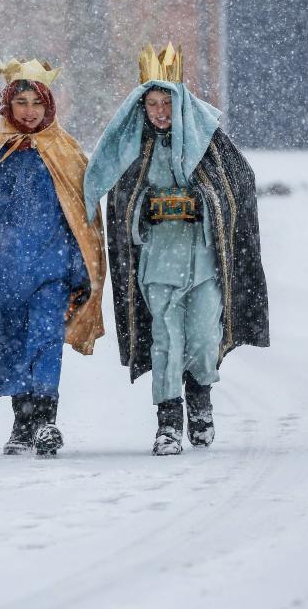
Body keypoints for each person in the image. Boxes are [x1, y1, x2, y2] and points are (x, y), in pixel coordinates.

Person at [84, 43, 269, 456]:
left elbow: (236, 187)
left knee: (204, 338)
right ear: (143, 106)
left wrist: (201, 202)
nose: (161, 112)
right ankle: (168, 422)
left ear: (180, 102)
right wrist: (146, 210)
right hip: (158, 262)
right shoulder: (136, 148)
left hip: (204, 260)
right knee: (165, 340)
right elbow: (121, 201)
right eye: (153, 103)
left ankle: (200, 400)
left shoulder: (210, 143)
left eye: (167, 102)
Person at [0, 58, 106, 456]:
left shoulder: (66, 152)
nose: (30, 110)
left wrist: (80, 268)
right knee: (12, 345)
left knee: (44, 341)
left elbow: (81, 218)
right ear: (8, 104)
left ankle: (46, 422)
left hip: (49, 271)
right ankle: (24, 423)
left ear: (49, 104)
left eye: (37, 101)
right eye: (21, 101)